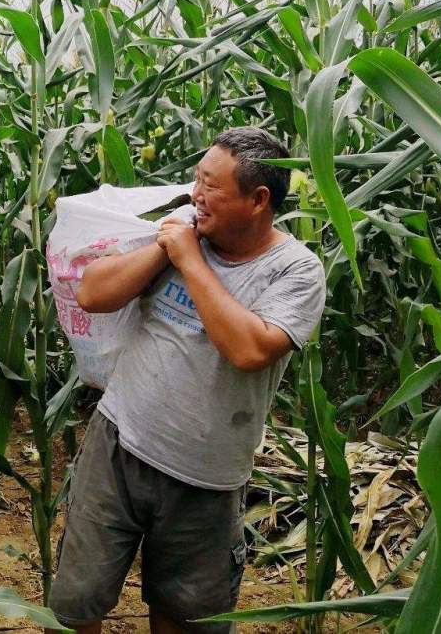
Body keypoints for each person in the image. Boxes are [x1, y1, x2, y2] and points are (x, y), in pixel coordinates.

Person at [49, 128, 326, 633]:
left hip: (207, 478)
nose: (196, 194)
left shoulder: (295, 272)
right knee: (75, 605)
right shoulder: (179, 232)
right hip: (119, 446)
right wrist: (166, 249)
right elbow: (92, 294)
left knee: (186, 619)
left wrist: (188, 259)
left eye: (211, 186)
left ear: (258, 200)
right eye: (196, 180)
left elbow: (249, 350)